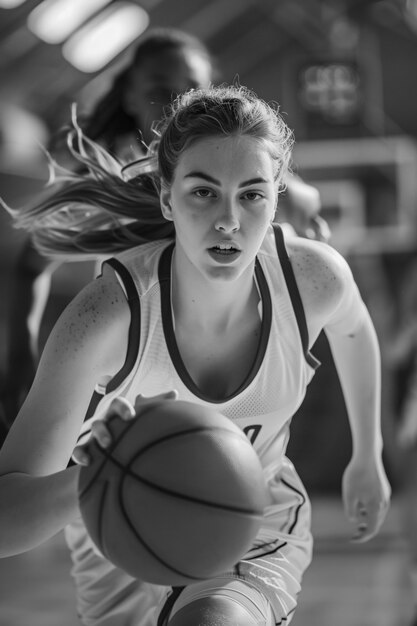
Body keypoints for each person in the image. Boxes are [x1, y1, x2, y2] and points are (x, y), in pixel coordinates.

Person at [0, 84, 390, 626]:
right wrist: (98, 477)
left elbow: (355, 331)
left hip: (254, 522)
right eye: (204, 193)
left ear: (278, 197)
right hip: (121, 540)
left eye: (252, 194)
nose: (229, 219)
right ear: (167, 196)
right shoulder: (108, 315)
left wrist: (366, 457)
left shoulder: (312, 278)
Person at [0, 27, 329, 436]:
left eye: (189, 88)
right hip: (139, 384)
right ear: (130, 98)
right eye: (159, 89)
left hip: (225, 378)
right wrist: (19, 360)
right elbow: (31, 263)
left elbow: (302, 197)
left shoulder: (248, 180)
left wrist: (300, 199)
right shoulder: (109, 190)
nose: (174, 103)